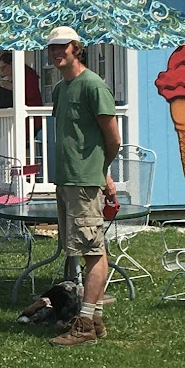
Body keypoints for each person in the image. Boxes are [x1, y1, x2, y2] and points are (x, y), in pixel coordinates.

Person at [42, 26, 119, 346]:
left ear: (76, 48)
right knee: (86, 248)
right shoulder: (61, 89)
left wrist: (101, 172)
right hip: (66, 179)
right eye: (52, 48)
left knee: (92, 250)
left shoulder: (93, 85)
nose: (56, 52)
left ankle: (85, 323)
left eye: (62, 46)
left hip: (84, 181)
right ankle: (95, 318)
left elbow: (113, 139)